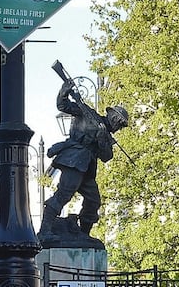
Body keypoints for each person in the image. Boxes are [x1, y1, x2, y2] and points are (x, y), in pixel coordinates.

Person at [40, 80, 129, 240]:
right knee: (63, 195)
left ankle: (83, 234)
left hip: (87, 169)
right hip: (74, 161)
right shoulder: (89, 113)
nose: (119, 127)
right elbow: (63, 106)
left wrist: (102, 139)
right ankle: (45, 231)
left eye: (122, 125)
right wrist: (64, 91)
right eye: (120, 123)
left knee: (94, 201)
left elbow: (107, 157)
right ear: (113, 117)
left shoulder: (108, 136)